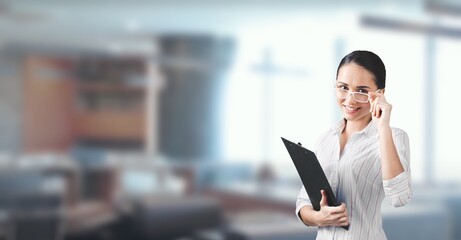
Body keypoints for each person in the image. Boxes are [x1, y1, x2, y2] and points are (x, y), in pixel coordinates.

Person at [295, 50, 412, 240]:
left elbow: (399, 197)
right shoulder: (325, 140)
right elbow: (303, 203)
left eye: (362, 91)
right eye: (343, 87)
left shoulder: (393, 136)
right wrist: (319, 218)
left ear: (379, 94)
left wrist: (383, 127)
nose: (350, 99)